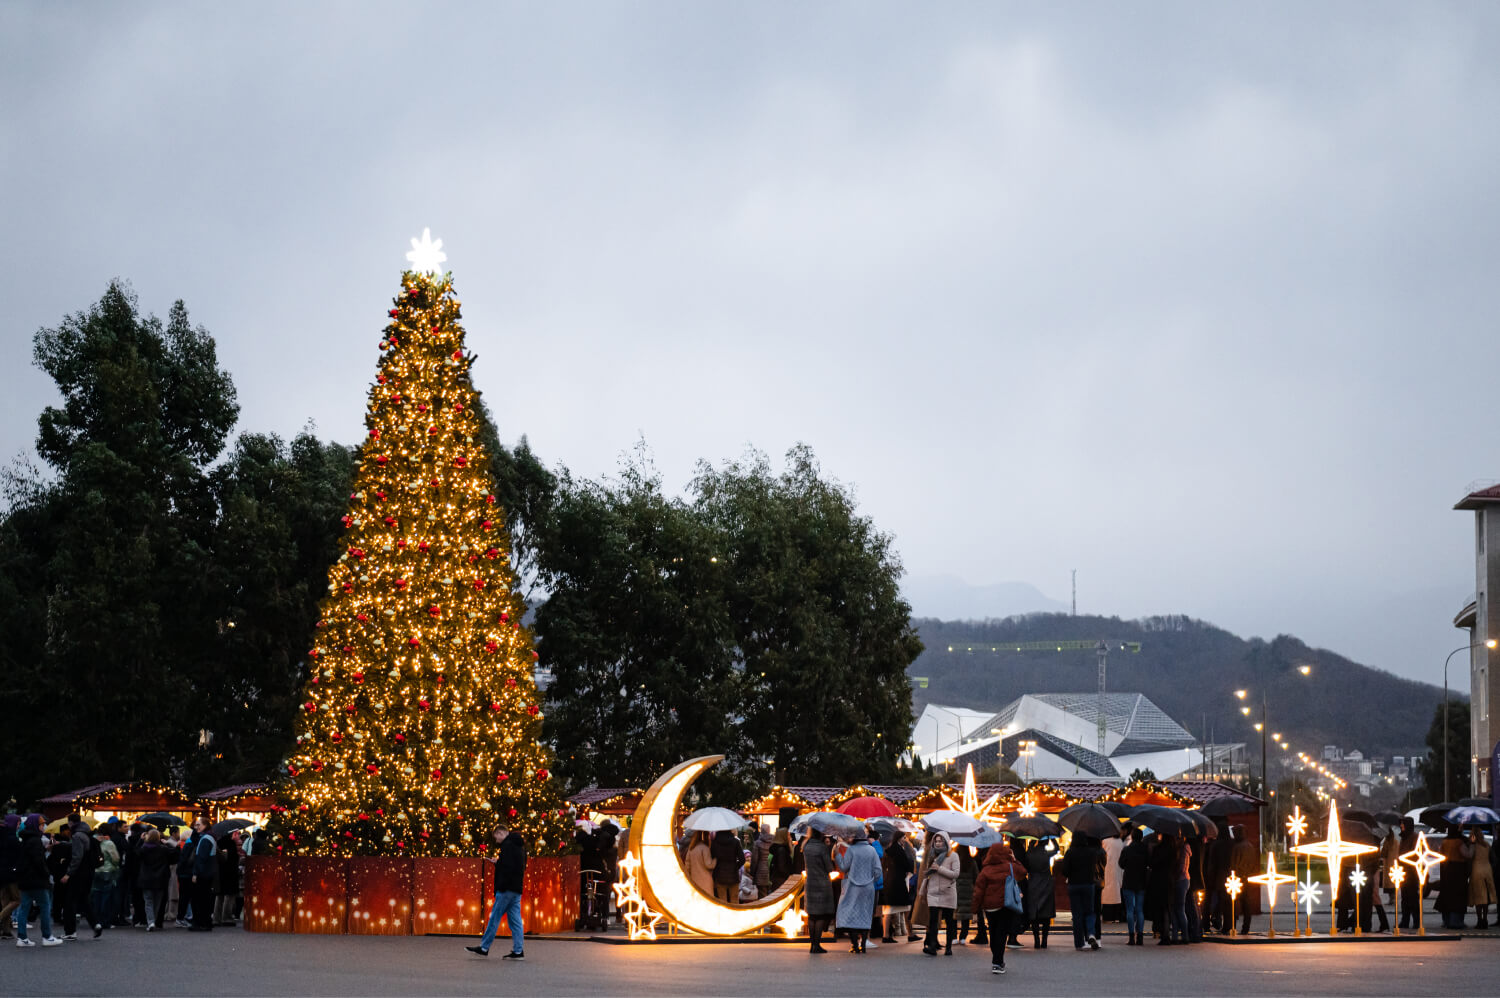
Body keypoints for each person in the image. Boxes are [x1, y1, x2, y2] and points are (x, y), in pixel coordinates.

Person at [466, 821, 527, 959]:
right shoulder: (520, 846)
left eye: (496, 837)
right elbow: (518, 866)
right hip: (516, 888)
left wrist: (498, 867)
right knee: (515, 921)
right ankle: (518, 950)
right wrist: (499, 862)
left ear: (501, 833)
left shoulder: (507, 845)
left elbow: (507, 868)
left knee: (495, 917)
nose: (496, 840)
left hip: (506, 888)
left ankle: (484, 947)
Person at [973, 835, 1024, 975]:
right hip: (1005, 905)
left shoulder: (985, 870)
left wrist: (974, 909)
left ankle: (996, 958)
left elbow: (978, 891)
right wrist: (1014, 858)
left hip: (989, 907)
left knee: (993, 932)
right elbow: (1023, 872)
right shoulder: (1010, 866)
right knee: (1002, 933)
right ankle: (997, 962)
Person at [15, 815, 61, 947]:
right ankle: (47, 936)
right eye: (41, 825)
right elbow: (38, 861)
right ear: (36, 825)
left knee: (24, 908)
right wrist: (46, 874)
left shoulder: (25, 839)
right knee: (45, 907)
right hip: (37, 879)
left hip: (25, 879)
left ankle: (22, 938)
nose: (43, 827)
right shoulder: (35, 840)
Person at [835, 830, 881, 954]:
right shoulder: (872, 850)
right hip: (868, 887)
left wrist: (838, 855)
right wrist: (871, 880)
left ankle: (855, 945)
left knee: (851, 913)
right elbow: (878, 870)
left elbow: (844, 867)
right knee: (865, 914)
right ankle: (864, 944)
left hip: (853, 886)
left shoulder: (852, 850)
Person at [1060, 833, 1103, 950]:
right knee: (1089, 912)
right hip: (1088, 884)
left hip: (1074, 884)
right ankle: (1091, 934)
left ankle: (1079, 943)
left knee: (1077, 915)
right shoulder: (1091, 853)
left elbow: (1064, 870)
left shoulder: (1070, 852)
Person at [61, 819, 101, 938]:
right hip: (89, 872)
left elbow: (77, 856)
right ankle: (95, 924)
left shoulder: (77, 836)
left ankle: (70, 931)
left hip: (78, 873)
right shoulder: (89, 836)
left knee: (69, 902)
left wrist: (68, 873)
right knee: (84, 900)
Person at [921, 832, 958, 956]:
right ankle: (932, 946)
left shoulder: (953, 856)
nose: (938, 843)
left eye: (940, 841)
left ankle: (948, 947)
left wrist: (940, 869)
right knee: (932, 921)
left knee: (949, 921)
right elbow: (928, 875)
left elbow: (955, 874)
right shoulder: (932, 855)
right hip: (933, 892)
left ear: (946, 842)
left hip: (947, 891)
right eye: (936, 841)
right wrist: (922, 891)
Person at [802, 828, 836, 954]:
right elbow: (829, 868)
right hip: (822, 883)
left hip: (810, 882)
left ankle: (812, 945)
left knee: (811, 915)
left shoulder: (806, 845)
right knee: (821, 915)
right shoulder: (821, 848)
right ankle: (817, 944)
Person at [1436, 825, 1473, 930]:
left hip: (1446, 871)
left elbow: (1441, 855)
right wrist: (1472, 845)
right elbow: (1468, 855)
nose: (1461, 828)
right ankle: (1455, 922)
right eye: (1459, 827)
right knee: (1457, 897)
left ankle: (1446, 921)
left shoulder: (1445, 841)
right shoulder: (1459, 842)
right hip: (1458, 872)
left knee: (1447, 896)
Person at [1022, 837, 1056, 949]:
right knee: (1046, 913)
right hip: (1046, 883)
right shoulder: (1046, 853)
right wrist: (1053, 838)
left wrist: (1031, 842)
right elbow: (1056, 849)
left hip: (1033, 883)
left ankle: (1036, 939)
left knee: (1034, 914)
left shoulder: (1030, 853)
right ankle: (1044, 940)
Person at [879, 830, 912, 943]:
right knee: (906, 908)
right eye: (904, 838)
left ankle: (886, 935)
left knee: (888, 911)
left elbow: (884, 865)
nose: (905, 840)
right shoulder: (900, 850)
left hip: (889, 882)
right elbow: (906, 865)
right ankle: (910, 933)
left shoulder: (888, 850)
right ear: (899, 838)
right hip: (898, 883)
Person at [137, 828, 173, 931]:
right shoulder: (163, 849)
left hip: (146, 878)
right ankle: (154, 919)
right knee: (157, 901)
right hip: (160, 878)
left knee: (148, 901)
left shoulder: (144, 848)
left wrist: (140, 840)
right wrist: (168, 843)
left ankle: (151, 921)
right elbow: (174, 854)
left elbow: (136, 853)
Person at [1119, 825, 1149, 945]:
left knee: (1130, 910)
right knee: (1140, 910)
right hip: (1141, 881)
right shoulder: (1145, 849)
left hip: (1128, 881)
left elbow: (1121, 864)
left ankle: (1131, 936)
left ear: (1132, 837)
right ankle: (1140, 936)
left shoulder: (1127, 849)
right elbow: (1149, 863)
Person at [89, 827, 121, 934]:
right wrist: (115, 867)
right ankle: (105, 921)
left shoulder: (90, 841)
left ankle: (96, 920)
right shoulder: (109, 843)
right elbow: (115, 858)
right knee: (106, 897)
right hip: (107, 871)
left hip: (94, 871)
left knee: (96, 896)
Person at [1229, 825, 1260, 935]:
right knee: (1246, 903)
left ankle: (1232, 926)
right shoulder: (1250, 846)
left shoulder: (1237, 847)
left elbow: (1233, 864)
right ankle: (1245, 927)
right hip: (1247, 877)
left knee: (1233, 902)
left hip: (1237, 879)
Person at [188, 818, 218, 931]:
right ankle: (205, 922)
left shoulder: (205, 839)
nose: (196, 827)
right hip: (208, 872)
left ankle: (200, 922)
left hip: (203, 873)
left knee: (199, 899)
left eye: (198, 825)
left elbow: (201, 858)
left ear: (205, 825)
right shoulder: (209, 837)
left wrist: (195, 873)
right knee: (205, 899)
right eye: (195, 825)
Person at [1468, 827, 1496, 929]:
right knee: (1486, 898)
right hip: (1487, 871)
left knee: (1478, 898)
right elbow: (1494, 859)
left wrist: (1471, 843)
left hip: (1476, 872)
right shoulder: (1487, 845)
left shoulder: (1473, 846)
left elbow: (1470, 857)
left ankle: (1480, 921)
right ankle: (1485, 919)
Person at [1396, 819, 1420, 930]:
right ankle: (1405, 920)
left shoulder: (1414, 837)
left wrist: (1403, 858)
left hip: (1412, 871)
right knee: (1405, 897)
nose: (1401, 825)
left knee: (1413, 898)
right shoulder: (1404, 837)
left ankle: (1416, 921)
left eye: (1403, 823)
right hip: (1404, 870)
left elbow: (1414, 853)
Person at [0, 814, 21, 938]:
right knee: (17, 900)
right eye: (18, 824)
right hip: (11, 873)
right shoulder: (12, 838)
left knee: (5, 901)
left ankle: (6, 931)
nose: (19, 826)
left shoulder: (2, 836)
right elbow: (18, 857)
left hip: (1, 874)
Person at [709, 829, 741, 904]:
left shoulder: (715, 843)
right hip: (733, 875)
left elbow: (712, 858)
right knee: (735, 901)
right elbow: (742, 859)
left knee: (722, 901)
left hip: (720, 875)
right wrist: (736, 867)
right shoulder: (735, 842)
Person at [215, 833, 241, 925]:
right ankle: (226, 917)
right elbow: (233, 858)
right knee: (229, 895)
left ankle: (216, 918)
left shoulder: (218, 843)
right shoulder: (231, 844)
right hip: (230, 873)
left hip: (220, 872)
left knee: (219, 895)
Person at [954, 844, 976, 945]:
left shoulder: (954, 862)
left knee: (954, 915)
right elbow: (977, 877)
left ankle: (953, 937)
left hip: (956, 890)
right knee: (966, 915)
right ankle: (963, 937)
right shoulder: (972, 862)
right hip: (968, 891)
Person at [684, 830, 717, 897]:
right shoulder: (705, 848)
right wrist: (715, 859)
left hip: (694, 880)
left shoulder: (691, 848)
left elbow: (687, 866)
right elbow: (709, 865)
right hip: (706, 882)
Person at [750, 824, 775, 899]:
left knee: (762, 894)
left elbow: (754, 860)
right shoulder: (774, 842)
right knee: (771, 894)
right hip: (771, 870)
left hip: (760, 871)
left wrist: (752, 873)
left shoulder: (757, 843)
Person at [769, 827, 794, 892]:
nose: (790, 837)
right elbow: (782, 867)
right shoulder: (782, 850)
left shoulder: (779, 849)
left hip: (778, 879)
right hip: (781, 880)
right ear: (784, 836)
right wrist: (789, 875)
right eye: (788, 835)